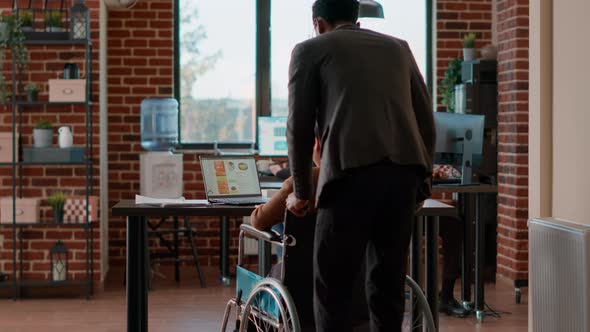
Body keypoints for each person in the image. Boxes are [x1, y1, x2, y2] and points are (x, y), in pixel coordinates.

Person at [285, 1, 435, 331]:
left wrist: (301, 192)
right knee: (387, 286)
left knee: (333, 288)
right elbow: (426, 121)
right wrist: (422, 183)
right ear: (356, 17)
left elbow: (298, 126)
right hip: (402, 178)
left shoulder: (309, 50)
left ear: (318, 23)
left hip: (349, 176)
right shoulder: (399, 48)